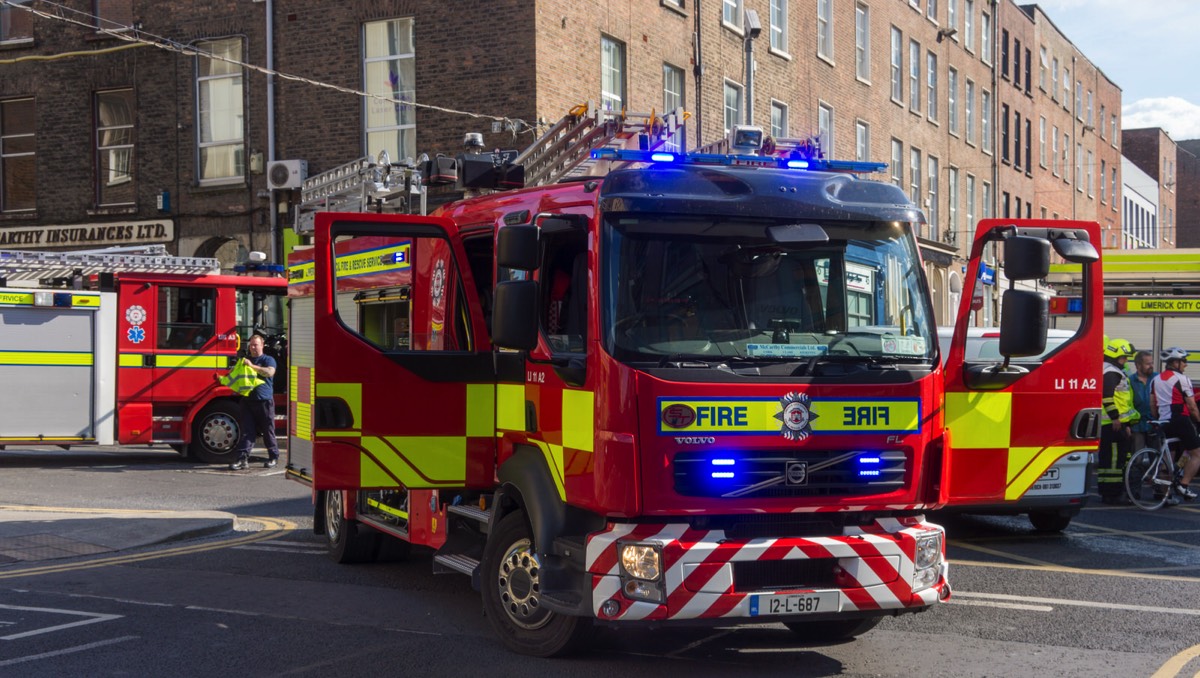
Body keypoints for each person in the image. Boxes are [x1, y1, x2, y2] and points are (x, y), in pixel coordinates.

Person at [1152, 347, 1200, 500]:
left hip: (1164, 420)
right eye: (1184, 361)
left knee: (1169, 457)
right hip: (1180, 418)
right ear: (1175, 362)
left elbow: (1153, 404)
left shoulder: (1156, 379)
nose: (1186, 364)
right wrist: (1198, 420)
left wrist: (1158, 419)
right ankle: (1183, 485)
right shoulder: (1181, 379)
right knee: (1197, 454)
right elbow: (1192, 405)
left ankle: (1163, 495)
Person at [229, 333, 280, 470]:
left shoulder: (268, 359)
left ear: (262, 345)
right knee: (247, 432)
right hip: (247, 401)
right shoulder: (245, 360)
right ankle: (242, 460)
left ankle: (273, 457)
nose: (252, 347)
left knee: (268, 431)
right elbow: (235, 377)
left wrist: (252, 366)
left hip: (264, 401)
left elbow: (269, 372)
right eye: (251, 345)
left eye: (255, 345)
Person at [1098, 338, 1138, 504]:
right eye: (1123, 357)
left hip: (1114, 424)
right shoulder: (1111, 372)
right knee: (1114, 460)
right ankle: (1112, 494)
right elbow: (1107, 396)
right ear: (1115, 356)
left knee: (1112, 460)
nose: (1126, 361)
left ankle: (1110, 492)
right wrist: (1115, 418)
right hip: (1112, 424)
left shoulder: (1109, 369)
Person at [1128, 350, 1158, 452]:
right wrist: (1127, 425)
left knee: (1156, 456)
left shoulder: (1157, 378)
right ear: (1138, 365)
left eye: (1152, 363)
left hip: (1155, 425)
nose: (1151, 366)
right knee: (1137, 458)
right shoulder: (1130, 381)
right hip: (1137, 426)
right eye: (1148, 364)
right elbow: (1126, 404)